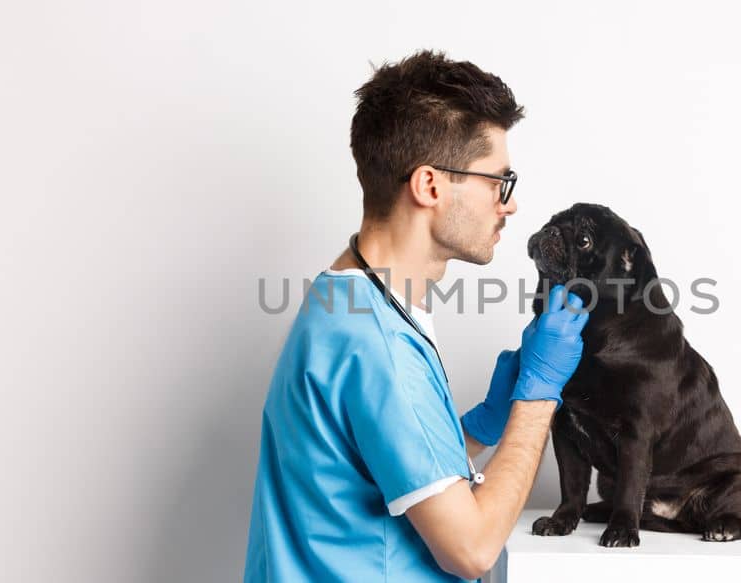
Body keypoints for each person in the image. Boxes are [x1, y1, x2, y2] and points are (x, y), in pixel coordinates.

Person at [242, 50, 591, 582]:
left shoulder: (343, 304)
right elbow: (471, 548)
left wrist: (476, 428)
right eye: (498, 181)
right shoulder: (378, 344)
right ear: (430, 185)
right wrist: (537, 395)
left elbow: (376, 463)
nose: (509, 204)